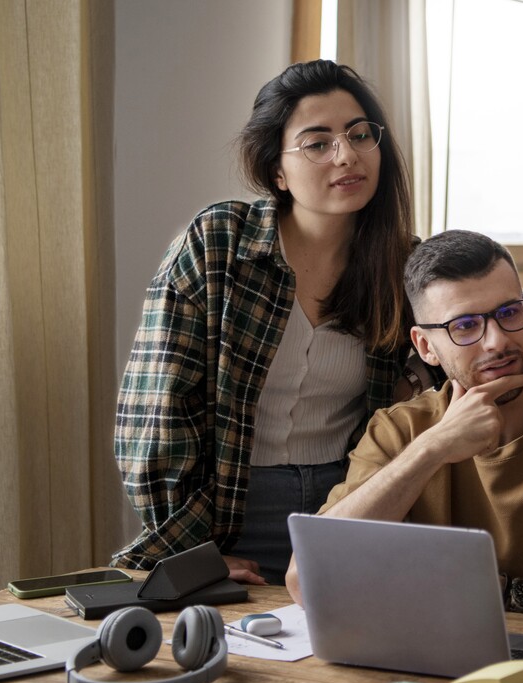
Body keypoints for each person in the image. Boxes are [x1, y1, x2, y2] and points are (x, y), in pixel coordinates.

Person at [112, 60, 415, 585]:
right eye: (317, 143)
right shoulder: (218, 243)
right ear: (277, 170)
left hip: (346, 512)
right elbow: (155, 415)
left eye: (360, 134)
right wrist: (192, 555)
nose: (347, 155)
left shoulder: (402, 265)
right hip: (223, 516)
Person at [284, 231, 523, 620]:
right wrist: (433, 448)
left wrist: (497, 593)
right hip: (415, 653)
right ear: (425, 346)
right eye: (464, 326)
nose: (497, 342)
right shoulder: (397, 431)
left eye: (509, 313)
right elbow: (306, 582)